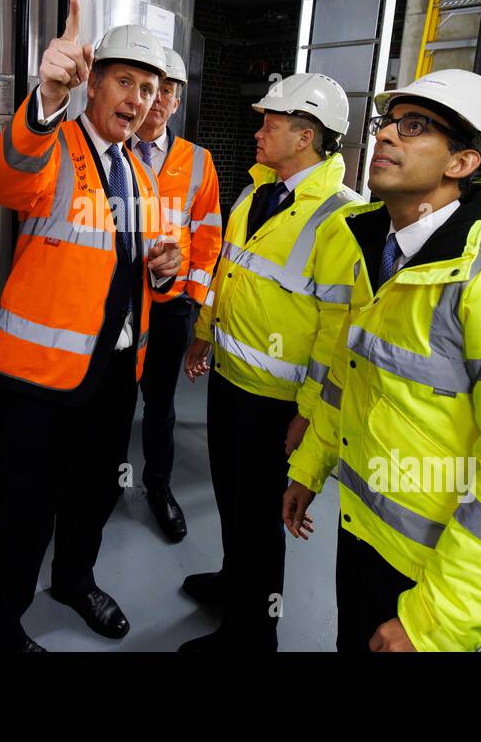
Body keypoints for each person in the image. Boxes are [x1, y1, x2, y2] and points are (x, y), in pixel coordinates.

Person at [281, 68, 481, 652]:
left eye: (415, 126)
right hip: (362, 533)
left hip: (434, 570)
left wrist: (440, 620)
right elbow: (348, 381)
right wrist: (310, 467)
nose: (387, 137)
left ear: (463, 163)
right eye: (387, 123)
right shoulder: (374, 255)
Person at [0, 0, 182, 652]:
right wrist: (43, 98)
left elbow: (137, 275)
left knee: (93, 494)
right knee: (26, 510)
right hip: (42, 377)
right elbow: (3, 180)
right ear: (94, 81)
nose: (138, 99)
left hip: (116, 371)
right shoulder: (54, 145)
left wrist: (165, 270)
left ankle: (73, 580)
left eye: (149, 89)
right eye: (125, 80)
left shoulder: (142, 178)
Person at [181, 73, 361, 651]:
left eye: (271, 124)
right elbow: (227, 272)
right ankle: (237, 583)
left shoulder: (341, 217)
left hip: (277, 402)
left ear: (305, 136)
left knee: (260, 517)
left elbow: (338, 333)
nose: (258, 134)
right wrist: (204, 335)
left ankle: (253, 635)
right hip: (231, 382)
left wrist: (308, 413)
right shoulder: (258, 190)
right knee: (231, 497)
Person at [129, 47, 222, 542]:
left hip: (170, 309)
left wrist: (193, 303)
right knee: (109, 400)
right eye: (152, 88)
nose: (160, 99)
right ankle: (96, 488)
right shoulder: (110, 154)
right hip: (115, 308)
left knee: (160, 404)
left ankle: (158, 487)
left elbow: (209, 239)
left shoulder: (198, 162)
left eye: (169, 90)